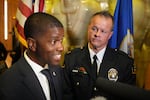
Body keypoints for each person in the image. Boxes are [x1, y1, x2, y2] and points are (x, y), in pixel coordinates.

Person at [63, 11, 135, 100]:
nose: (97, 34)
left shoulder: (123, 62)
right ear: (88, 28)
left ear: (110, 35)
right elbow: (65, 94)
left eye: (103, 31)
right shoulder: (72, 58)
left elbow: (128, 96)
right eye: (94, 29)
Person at [0, 12, 64, 100]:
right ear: (32, 44)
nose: (61, 47)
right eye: (53, 42)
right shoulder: (9, 82)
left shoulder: (57, 70)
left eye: (61, 41)